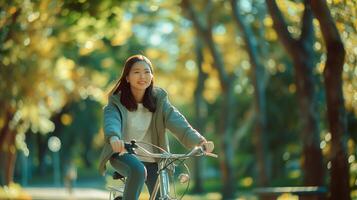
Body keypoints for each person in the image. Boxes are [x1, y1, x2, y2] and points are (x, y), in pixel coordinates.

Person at [98, 54, 214, 200]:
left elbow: (178, 122)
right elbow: (111, 122)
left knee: (161, 196)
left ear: (152, 76)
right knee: (138, 170)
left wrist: (200, 141)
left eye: (147, 72)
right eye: (136, 72)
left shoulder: (159, 101)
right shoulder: (116, 103)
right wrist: (114, 137)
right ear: (127, 77)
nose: (142, 76)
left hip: (153, 159)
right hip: (122, 154)